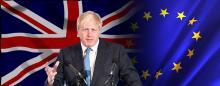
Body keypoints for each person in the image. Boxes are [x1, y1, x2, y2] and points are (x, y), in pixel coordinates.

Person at [44, 11, 142, 86]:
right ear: (78, 32)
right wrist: (51, 82)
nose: (89, 34)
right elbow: (57, 81)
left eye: (93, 29)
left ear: (99, 31)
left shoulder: (116, 51)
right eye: (85, 29)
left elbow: (134, 82)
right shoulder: (66, 53)